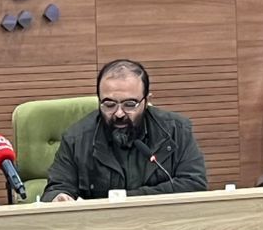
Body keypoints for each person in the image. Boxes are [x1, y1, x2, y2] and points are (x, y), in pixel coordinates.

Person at [44, 59, 208, 201]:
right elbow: (56, 189)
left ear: (146, 101)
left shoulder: (176, 130)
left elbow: (194, 184)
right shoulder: (76, 139)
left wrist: (125, 199)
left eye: (129, 104)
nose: (119, 114)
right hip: (101, 225)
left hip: (161, 223)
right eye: (109, 105)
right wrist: (59, 197)